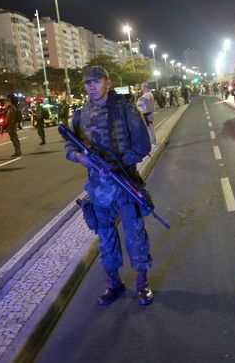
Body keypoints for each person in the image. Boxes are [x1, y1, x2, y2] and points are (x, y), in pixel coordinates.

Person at [65, 66, 154, 306]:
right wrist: (81, 158)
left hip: (124, 184)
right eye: (87, 83)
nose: (91, 87)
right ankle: (113, 283)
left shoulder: (125, 108)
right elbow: (69, 149)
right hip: (97, 189)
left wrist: (118, 165)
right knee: (105, 237)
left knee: (135, 233)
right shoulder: (80, 114)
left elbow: (143, 145)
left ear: (107, 82)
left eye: (96, 82)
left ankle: (142, 284)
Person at [136, 82, 157, 147]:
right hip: (148, 113)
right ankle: (153, 143)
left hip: (148, 114)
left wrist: (138, 99)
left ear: (145, 87)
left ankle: (153, 143)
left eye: (142, 87)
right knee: (149, 128)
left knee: (150, 129)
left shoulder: (147, 94)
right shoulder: (148, 94)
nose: (141, 89)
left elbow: (139, 102)